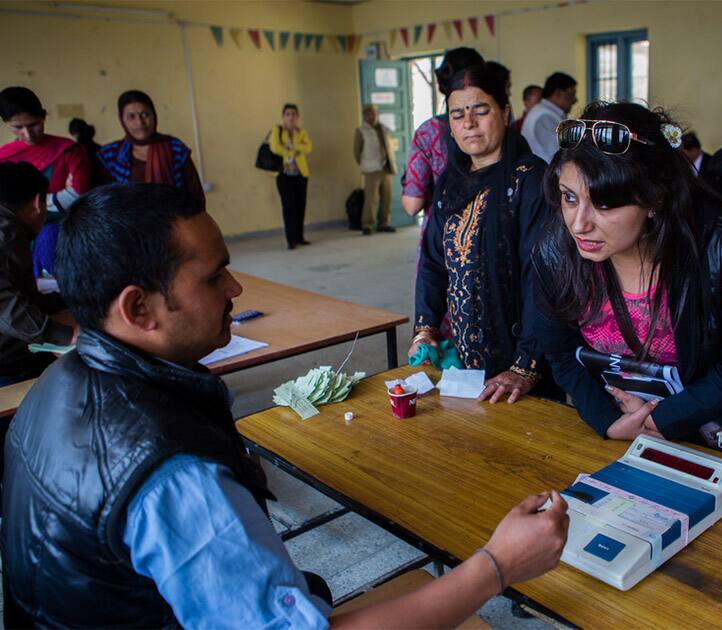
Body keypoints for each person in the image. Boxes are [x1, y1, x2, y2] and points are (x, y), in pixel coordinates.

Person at [1, 183, 570, 628]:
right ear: (139, 308)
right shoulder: (172, 474)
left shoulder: (59, 380)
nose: (235, 290)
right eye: (213, 275)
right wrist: (496, 567)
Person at [533, 102, 722, 460]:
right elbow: (558, 350)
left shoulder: (721, 246)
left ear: (654, 198)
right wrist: (606, 420)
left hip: (717, 429)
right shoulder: (556, 250)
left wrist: (659, 419)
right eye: (569, 198)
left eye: (605, 204)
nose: (579, 224)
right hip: (622, 424)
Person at [412, 64, 550, 404]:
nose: (469, 124)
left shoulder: (529, 180)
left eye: (481, 111)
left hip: (519, 360)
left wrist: (526, 366)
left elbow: (543, 277)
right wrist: (426, 328)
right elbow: (432, 260)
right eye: (457, 115)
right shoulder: (450, 182)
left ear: (504, 112)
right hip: (465, 357)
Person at [0, 86, 90, 277]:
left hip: (62, 231)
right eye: (18, 127)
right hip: (13, 235)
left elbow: (79, 195)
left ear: (43, 116)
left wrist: (25, 207)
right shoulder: (4, 157)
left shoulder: (69, 151)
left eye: (33, 124)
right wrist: (57, 198)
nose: (28, 133)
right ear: (6, 123)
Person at [0, 162, 75, 386]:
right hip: (8, 366)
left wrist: (65, 299)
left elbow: (19, 294)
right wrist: (67, 335)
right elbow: (6, 308)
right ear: (38, 203)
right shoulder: (7, 235)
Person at [402, 47, 484, 218]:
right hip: (490, 228)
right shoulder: (496, 125)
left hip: (441, 231)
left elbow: (412, 204)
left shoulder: (429, 133)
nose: (468, 124)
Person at [97, 90, 205, 211]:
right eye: (131, 116)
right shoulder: (110, 155)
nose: (140, 122)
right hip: (130, 227)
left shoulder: (175, 148)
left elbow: (195, 195)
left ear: (154, 115)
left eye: (145, 114)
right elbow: (104, 202)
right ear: (122, 120)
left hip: (174, 224)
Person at [267, 103, 312, 249]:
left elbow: (308, 146)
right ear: (283, 116)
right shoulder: (277, 130)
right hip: (284, 175)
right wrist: (292, 152)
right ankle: (291, 240)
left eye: (293, 114)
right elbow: (275, 147)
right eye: (288, 114)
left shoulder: (301, 131)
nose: (291, 117)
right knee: (289, 207)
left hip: (300, 174)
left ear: (297, 117)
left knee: (300, 206)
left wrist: (292, 148)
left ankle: (300, 237)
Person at [353, 103, 397, 235]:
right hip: (371, 169)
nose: (372, 116)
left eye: (374, 113)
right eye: (369, 113)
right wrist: (365, 164)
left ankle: (384, 223)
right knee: (370, 199)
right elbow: (356, 152)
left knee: (386, 197)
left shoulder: (383, 129)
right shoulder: (360, 131)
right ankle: (367, 224)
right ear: (365, 116)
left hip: (386, 167)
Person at [522, 72, 578, 163]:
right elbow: (559, 154)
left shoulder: (543, 112)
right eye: (572, 95)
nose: (575, 100)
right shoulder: (544, 116)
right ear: (558, 94)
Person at [68, 117, 106, 186]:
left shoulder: (77, 151)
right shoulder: (100, 148)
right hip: (102, 188)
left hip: (87, 188)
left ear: (74, 133)